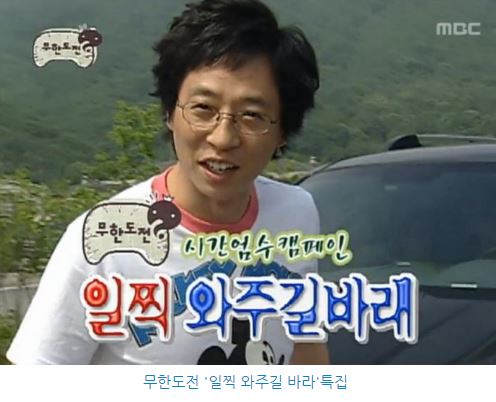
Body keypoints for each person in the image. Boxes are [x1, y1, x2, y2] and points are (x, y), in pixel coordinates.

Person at [7, 0, 328, 364]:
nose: (223, 138)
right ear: (169, 112)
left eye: (252, 115)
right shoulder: (101, 245)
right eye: (203, 108)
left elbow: (306, 343)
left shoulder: (296, 213)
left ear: (283, 131)